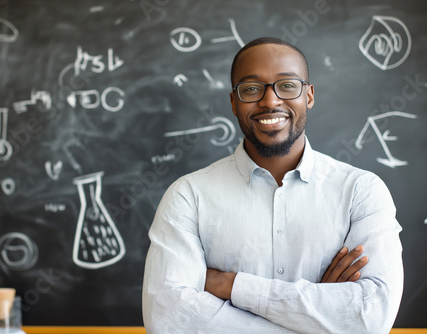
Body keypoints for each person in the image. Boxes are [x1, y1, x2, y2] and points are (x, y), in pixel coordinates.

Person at [142, 37, 403, 333]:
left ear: (310, 95)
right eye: (251, 89)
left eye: (288, 85)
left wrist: (232, 285)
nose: (270, 101)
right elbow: (168, 320)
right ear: (233, 102)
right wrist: (319, 320)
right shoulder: (188, 196)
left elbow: (372, 317)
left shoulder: (361, 192)